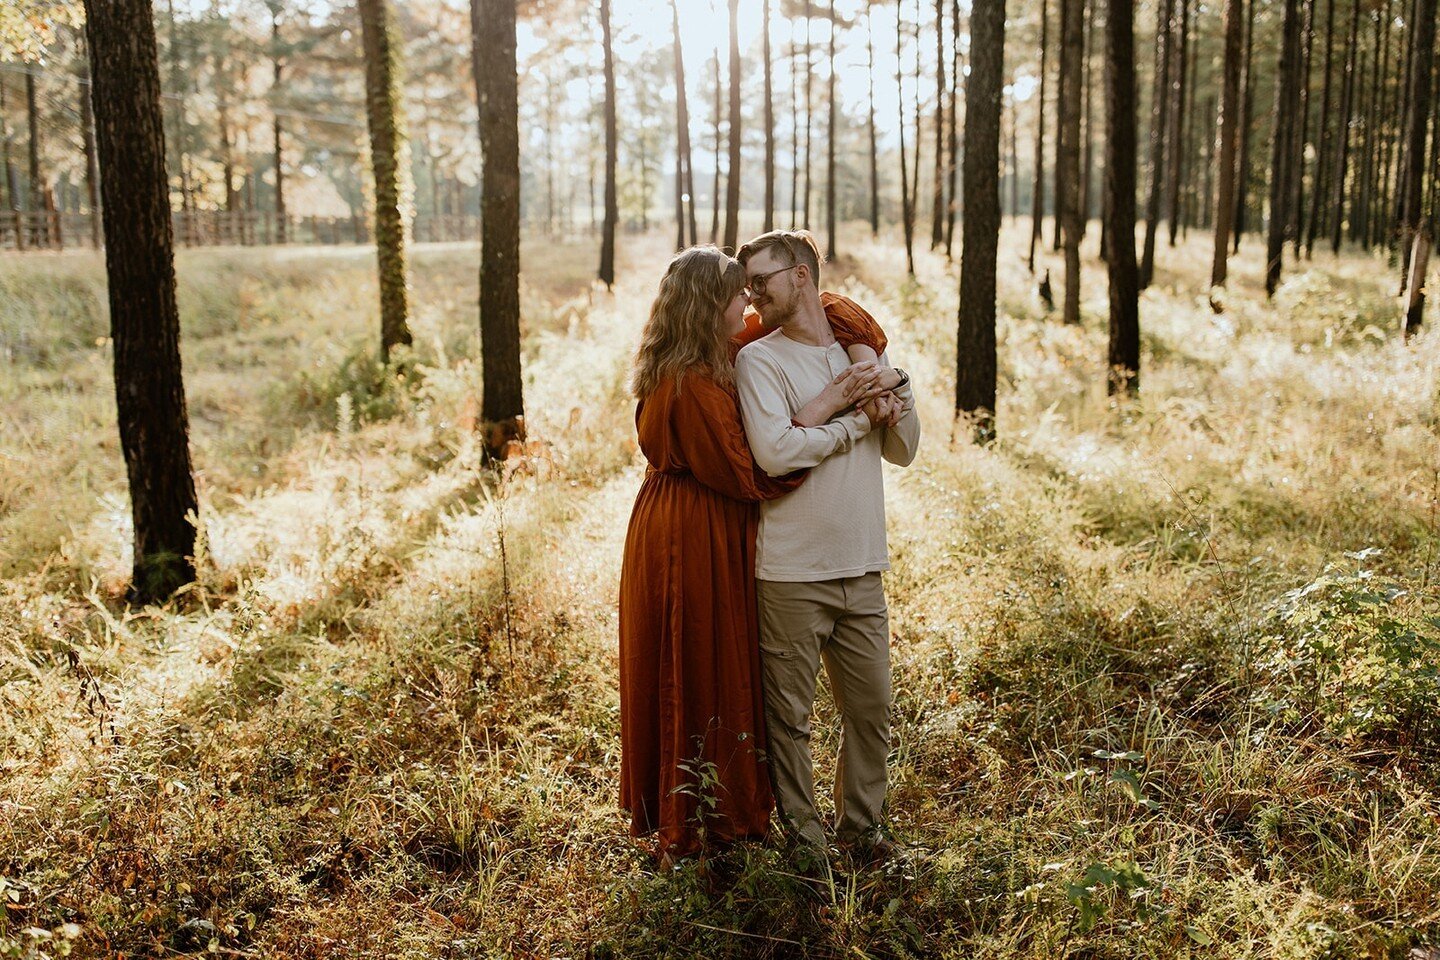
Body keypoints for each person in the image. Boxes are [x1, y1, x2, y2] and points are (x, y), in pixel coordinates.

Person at [617, 245, 893, 864]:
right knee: (692, 667)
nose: (748, 301)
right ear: (711, 304)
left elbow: (842, 314)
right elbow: (757, 474)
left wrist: (863, 360)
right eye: (737, 293)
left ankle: (723, 812)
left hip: (702, 523)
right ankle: (699, 819)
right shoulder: (692, 381)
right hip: (691, 533)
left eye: (752, 289)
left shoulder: (713, 351)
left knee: (717, 669)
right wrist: (843, 416)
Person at [733, 230, 921, 860]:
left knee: (872, 713)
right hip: (790, 571)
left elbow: (903, 450)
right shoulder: (759, 360)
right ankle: (807, 848)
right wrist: (853, 421)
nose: (752, 293)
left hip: (863, 565)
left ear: (803, 276)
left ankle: (863, 832)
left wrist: (897, 394)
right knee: (790, 722)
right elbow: (776, 450)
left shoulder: (860, 356)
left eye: (763, 279)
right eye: (748, 284)